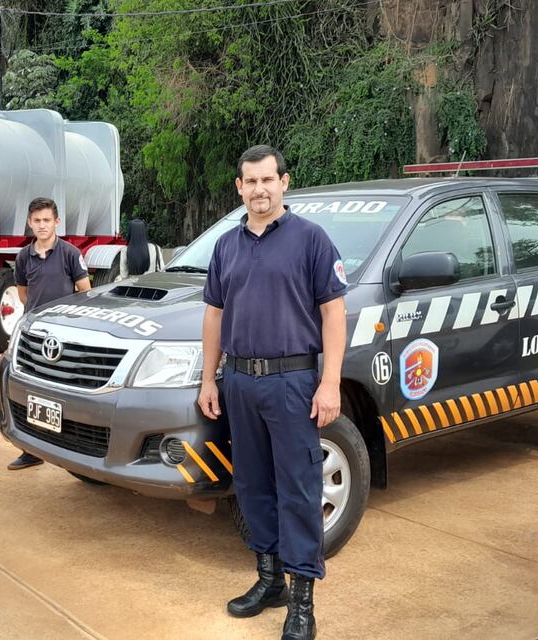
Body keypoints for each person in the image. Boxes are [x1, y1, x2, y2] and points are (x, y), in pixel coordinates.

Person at [197, 145, 346, 640]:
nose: (259, 190)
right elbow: (214, 315)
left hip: (292, 382)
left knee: (299, 489)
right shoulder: (227, 246)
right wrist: (208, 379)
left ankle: (302, 601)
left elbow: (333, 313)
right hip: (239, 381)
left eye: (267, 180)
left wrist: (329, 383)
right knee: (253, 485)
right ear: (238, 187)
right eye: (250, 182)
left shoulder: (311, 240)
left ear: (285, 182)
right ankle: (269, 580)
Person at [7, 197, 92, 470]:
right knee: (31, 392)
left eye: (47, 220)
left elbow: (85, 290)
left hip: (65, 336)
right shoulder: (23, 257)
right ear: (29, 223)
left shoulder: (69, 253)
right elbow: (23, 294)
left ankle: (70, 447)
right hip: (34, 335)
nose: (42, 226)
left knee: (63, 393)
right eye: (37, 221)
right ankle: (30, 450)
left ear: (57, 222)